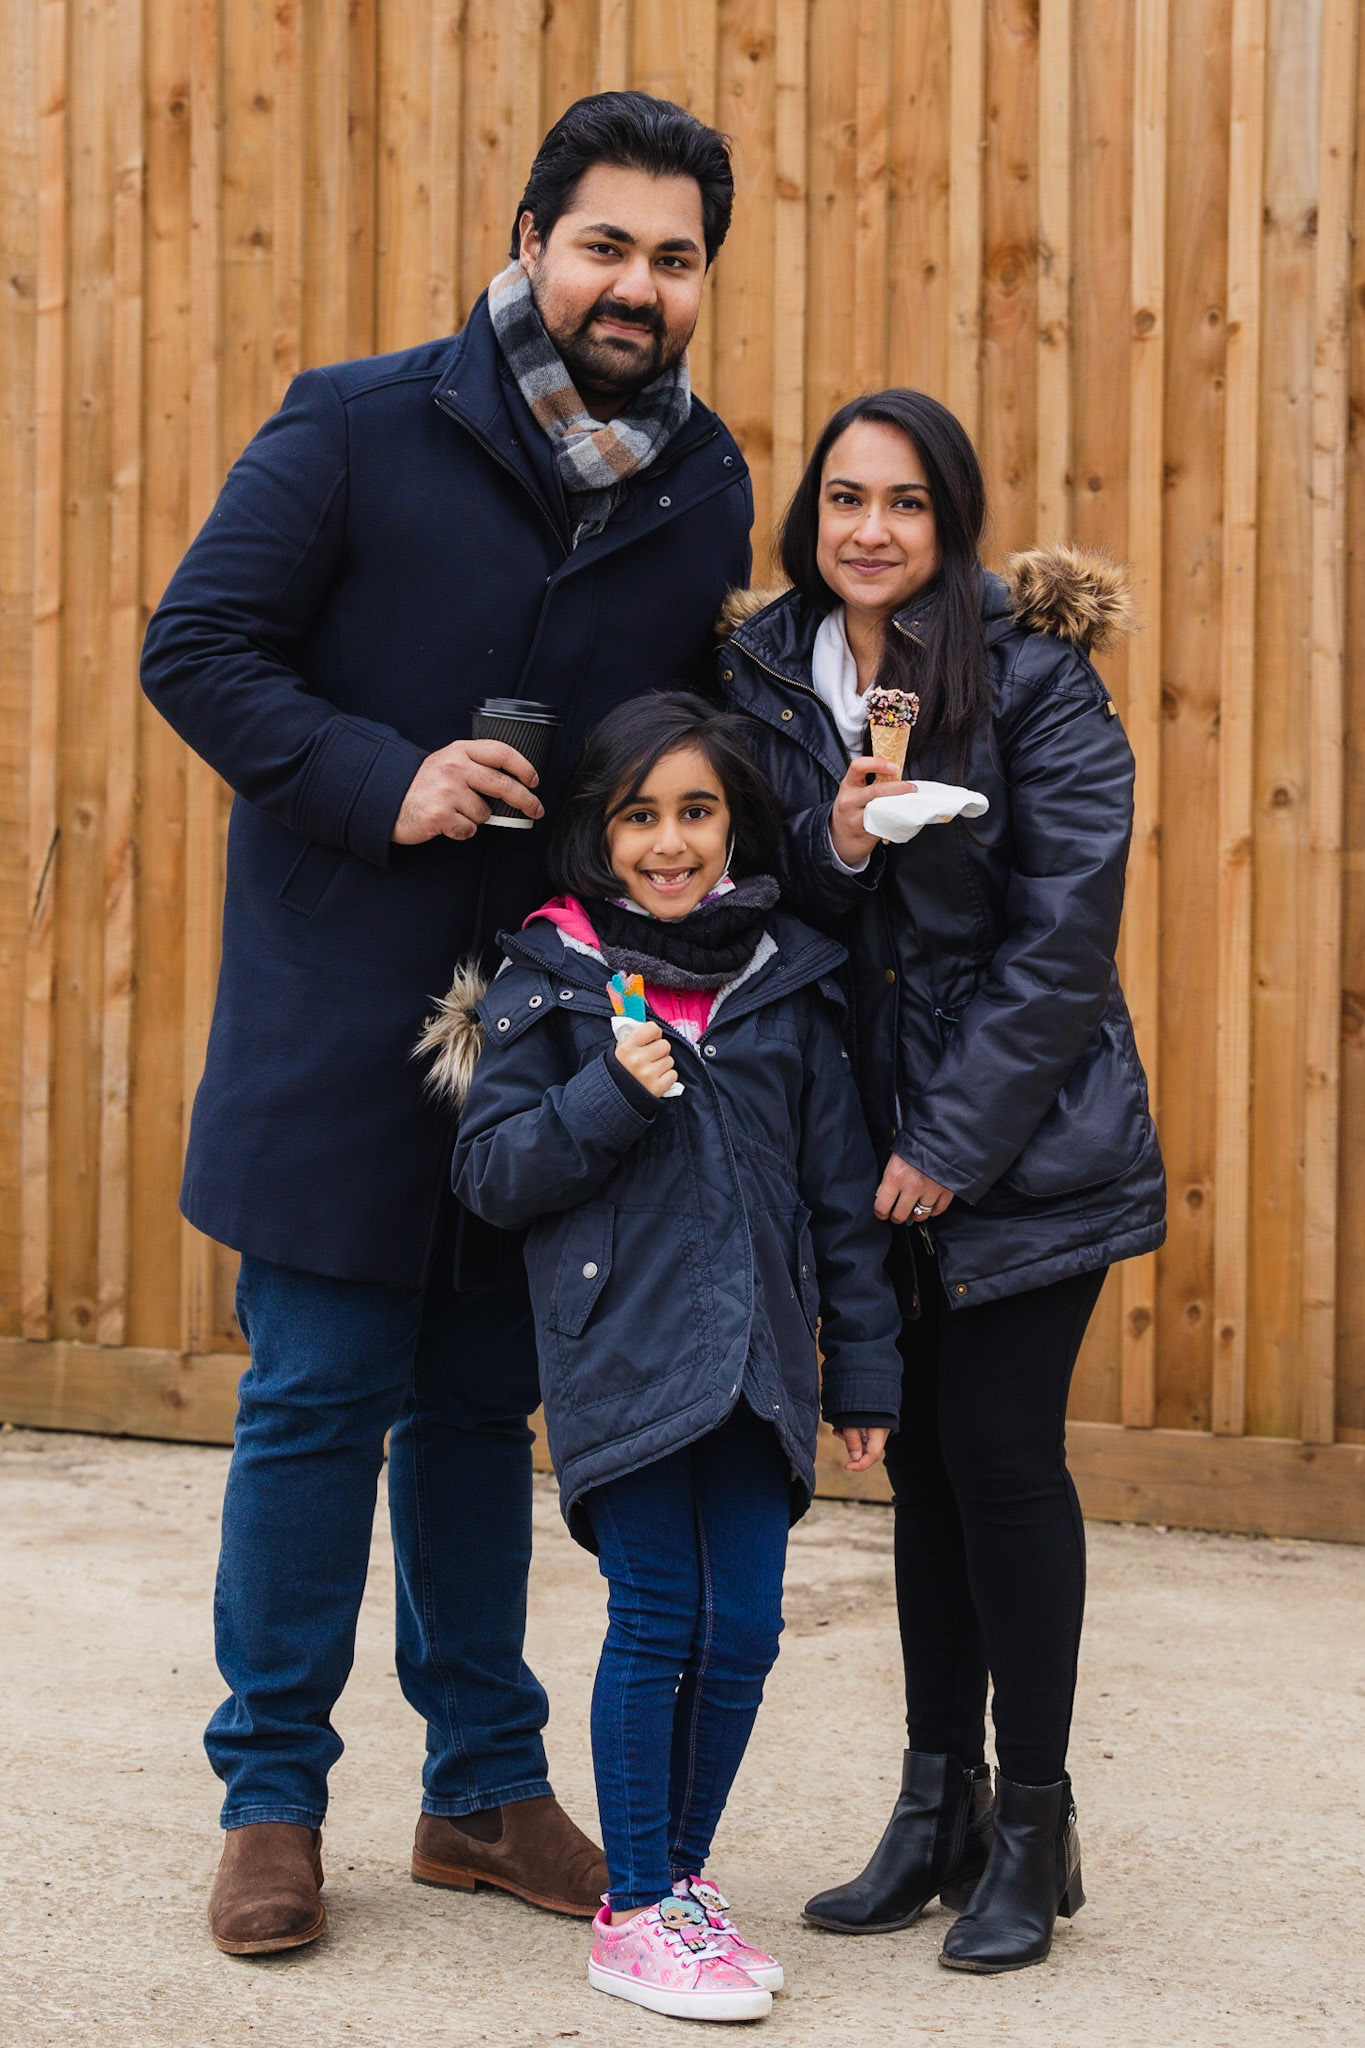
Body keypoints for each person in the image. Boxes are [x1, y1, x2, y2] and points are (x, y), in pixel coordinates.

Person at [139, 93, 754, 1956]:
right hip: (343, 1019)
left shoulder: (703, 483)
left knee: (485, 1411)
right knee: (317, 1404)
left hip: (552, 1046)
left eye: (672, 258)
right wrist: (382, 777)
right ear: (529, 240)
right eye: (605, 244)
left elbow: (682, 740)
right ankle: (270, 1800)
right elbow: (197, 648)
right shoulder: (351, 422)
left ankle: (481, 1788)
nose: (635, 285)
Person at [717, 389, 1166, 1974]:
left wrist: (951, 1143)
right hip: (858, 1133)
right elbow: (752, 892)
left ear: (950, 521)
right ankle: (935, 1805)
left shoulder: (1032, 675)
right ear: (810, 516)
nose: (870, 530)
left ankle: (1034, 1823)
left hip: (1022, 1141)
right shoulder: (768, 673)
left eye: (905, 503)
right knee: (916, 1469)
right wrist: (836, 847)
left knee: (1000, 1457)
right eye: (845, 498)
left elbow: (1061, 941)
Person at [440, 694, 904, 2021]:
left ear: (735, 825)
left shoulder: (787, 980)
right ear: (597, 832)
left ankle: (680, 1888)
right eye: (638, 816)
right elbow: (491, 1173)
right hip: (623, 1350)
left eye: (696, 812)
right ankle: (635, 1906)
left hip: (760, 1356)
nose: (669, 842)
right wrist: (608, 1094)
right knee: (659, 1617)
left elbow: (840, 1200)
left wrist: (863, 1371)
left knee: (743, 1630)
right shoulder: (550, 978)